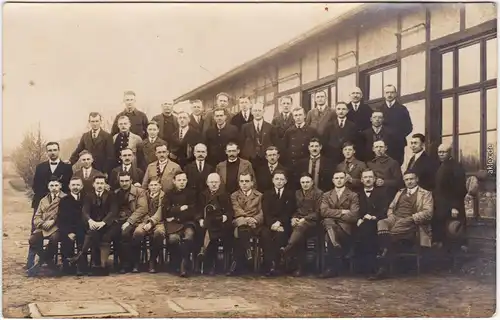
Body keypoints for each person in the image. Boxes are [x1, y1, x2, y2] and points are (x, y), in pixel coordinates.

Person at [371, 170, 433, 280]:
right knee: (381, 222)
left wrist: (411, 218)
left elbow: (428, 213)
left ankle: (383, 265)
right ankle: (385, 260)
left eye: (411, 179)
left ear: (417, 179)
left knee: (390, 232)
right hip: (395, 218)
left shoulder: (425, 194)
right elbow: (391, 207)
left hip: (412, 222)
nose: (409, 182)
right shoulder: (400, 192)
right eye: (407, 180)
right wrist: (391, 217)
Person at [27, 142, 72, 269]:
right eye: (50, 150)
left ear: (59, 151)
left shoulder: (67, 167)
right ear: (46, 152)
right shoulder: (40, 167)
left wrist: (57, 197)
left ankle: (47, 261)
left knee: (56, 235)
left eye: (55, 150)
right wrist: (47, 197)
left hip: (61, 204)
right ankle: (32, 261)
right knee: (34, 234)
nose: (52, 152)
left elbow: (69, 186)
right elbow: (35, 185)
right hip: (42, 202)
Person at [68, 175, 118, 276]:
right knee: (92, 233)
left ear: (105, 184)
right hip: (94, 225)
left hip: (108, 226)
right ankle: (98, 265)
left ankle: (79, 257)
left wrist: (103, 222)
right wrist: (90, 221)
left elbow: (113, 212)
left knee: (98, 235)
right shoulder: (88, 196)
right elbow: (85, 211)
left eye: (102, 183)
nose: (100, 186)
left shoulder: (111, 195)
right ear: (93, 184)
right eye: (98, 183)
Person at [281, 173, 323, 277]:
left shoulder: (319, 193)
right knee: (297, 232)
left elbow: (318, 212)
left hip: (313, 223)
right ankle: (297, 266)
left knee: (300, 228)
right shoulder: (297, 193)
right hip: (299, 221)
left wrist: (305, 219)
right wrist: (293, 218)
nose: (305, 184)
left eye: (307, 182)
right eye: (303, 182)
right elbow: (294, 209)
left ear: (312, 182)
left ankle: (287, 250)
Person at [319, 171, 360, 278]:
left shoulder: (353, 195)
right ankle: (334, 264)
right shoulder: (326, 195)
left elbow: (354, 215)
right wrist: (342, 212)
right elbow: (323, 212)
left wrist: (333, 213)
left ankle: (331, 268)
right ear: (333, 180)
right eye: (336, 178)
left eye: (341, 178)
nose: (339, 180)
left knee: (328, 224)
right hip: (331, 227)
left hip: (345, 229)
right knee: (328, 222)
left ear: (345, 180)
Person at [27, 177, 66, 276]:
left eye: (56, 185)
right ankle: (49, 262)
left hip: (57, 227)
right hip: (43, 227)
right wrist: (42, 223)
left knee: (54, 239)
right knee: (33, 239)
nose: (54, 188)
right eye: (51, 186)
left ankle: (41, 262)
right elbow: (37, 216)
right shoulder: (43, 200)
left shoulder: (65, 198)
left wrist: (53, 221)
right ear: (48, 187)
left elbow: (66, 215)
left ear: (60, 186)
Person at [227, 172, 264, 276]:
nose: (244, 183)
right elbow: (236, 209)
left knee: (241, 232)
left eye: (247, 181)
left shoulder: (259, 196)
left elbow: (262, 212)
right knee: (241, 225)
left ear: (252, 183)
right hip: (239, 221)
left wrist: (254, 219)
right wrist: (247, 218)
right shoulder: (234, 195)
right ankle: (248, 250)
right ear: (239, 183)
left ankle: (234, 264)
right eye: (242, 181)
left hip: (253, 224)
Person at [111, 172, 148, 273]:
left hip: (136, 220)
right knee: (115, 234)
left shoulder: (139, 192)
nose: (124, 183)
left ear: (131, 181)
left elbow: (142, 209)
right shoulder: (116, 193)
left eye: (126, 181)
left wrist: (129, 221)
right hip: (120, 220)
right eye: (122, 181)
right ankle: (124, 263)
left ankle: (135, 263)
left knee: (131, 234)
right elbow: (113, 209)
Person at [354, 169, 389, 276]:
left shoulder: (382, 193)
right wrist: (359, 218)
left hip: (377, 223)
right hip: (361, 223)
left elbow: (385, 209)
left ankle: (373, 267)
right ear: (361, 180)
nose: (368, 179)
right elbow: (355, 209)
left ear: (374, 179)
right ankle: (367, 266)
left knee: (368, 231)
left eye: (370, 177)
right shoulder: (357, 195)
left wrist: (374, 217)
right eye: (365, 177)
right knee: (362, 231)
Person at [197, 173, 234, 275]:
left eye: (216, 182)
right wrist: (199, 219)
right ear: (207, 183)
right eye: (212, 182)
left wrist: (225, 217)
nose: (214, 184)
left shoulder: (225, 195)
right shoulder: (202, 195)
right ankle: (211, 264)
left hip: (220, 223)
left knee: (211, 231)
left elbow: (230, 211)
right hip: (207, 223)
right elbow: (199, 210)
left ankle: (205, 253)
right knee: (209, 230)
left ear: (220, 183)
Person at [433, 143, 467, 250]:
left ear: (449, 152)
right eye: (439, 152)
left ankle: (456, 258)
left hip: (452, 205)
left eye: (444, 152)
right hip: (441, 204)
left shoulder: (455, 166)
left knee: (453, 230)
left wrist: (455, 206)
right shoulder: (441, 165)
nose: (441, 154)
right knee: (444, 232)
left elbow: (460, 188)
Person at [261, 170, 296, 276]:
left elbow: (289, 211)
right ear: (272, 180)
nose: (279, 182)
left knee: (280, 236)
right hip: (269, 224)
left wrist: (279, 223)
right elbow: (266, 212)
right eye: (277, 179)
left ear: (285, 181)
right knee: (265, 235)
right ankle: (268, 264)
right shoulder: (267, 194)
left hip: (283, 224)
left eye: (281, 179)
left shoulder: (290, 194)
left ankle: (276, 264)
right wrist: (272, 224)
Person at [163, 171, 198, 277]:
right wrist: (181, 208)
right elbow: (165, 211)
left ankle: (184, 263)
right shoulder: (169, 194)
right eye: (179, 180)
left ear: (187, 180)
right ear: (174, 181)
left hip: (187, 222)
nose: (182, 182)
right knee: (173, 239)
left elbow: (193, 211)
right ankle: (176, 263)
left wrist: (175, 214)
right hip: (173, 224)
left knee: (189, 236)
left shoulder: (191, 193)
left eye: (184, 180)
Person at [129, 179, 166, 273]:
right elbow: (142, 208)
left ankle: (152, 260)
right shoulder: (144, 194)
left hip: (158, 222)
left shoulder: (164, 196)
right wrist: (146, 221)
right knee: (137, 233)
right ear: (148, 186)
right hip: (144, 221)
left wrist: (151, 222)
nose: (153, 187)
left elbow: (160, 212)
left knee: (159, 233)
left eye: (156, 185)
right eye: (151, 185)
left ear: (160, 186)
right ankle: (136, 262)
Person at [57, 176, 86, 275]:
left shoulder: (86, 199)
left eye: (78, 185)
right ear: (69, 186)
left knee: (82, 239)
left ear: (81, 186)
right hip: (68, 229)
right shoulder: (64, 200)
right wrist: (69, 232)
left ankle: (81, 266)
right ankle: (68, 265)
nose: (75, 187)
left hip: (82, 228)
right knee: (66, 240)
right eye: (73, 185)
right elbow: (61, 219)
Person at [378, 85, 413, 165]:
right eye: (387, 92)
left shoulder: (402, 109)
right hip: (383, 144)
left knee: (396, 166)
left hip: (398, 144)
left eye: (392, 92)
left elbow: (409, 127)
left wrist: (398, 135)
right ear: (384, 94)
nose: (389, 95)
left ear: (396, 94)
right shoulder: (379, 109)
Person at [240, 102, 278, 169]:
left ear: (263, 111)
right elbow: (241, 144)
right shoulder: (245, 127)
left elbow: (275, 144)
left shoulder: (271, 127)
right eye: (255, 110)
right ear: (251, 112)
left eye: (259, 110)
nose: (257, 113)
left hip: (265, 160)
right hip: (250, 160)